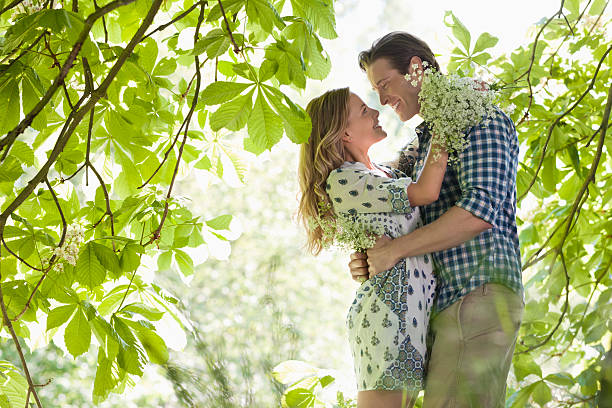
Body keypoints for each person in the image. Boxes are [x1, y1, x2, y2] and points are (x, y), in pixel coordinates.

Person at [350, 32, 525, 407]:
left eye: (384, 84)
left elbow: (479, 212)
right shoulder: (425, 142)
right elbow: (391, 203)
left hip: (478, 291)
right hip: (436, 305)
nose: (381, 100)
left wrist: (394, 251)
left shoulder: (479, 116)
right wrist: (369, 256)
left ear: (415, 69)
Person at [297, 87, 448, 408]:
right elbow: (425, 192)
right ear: (345, 133)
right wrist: (448, 126)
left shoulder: (384, 173)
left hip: (413, 316)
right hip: (385, 319)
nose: (377, 112)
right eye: (365, 111)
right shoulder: (344, 180)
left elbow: (416, 158)